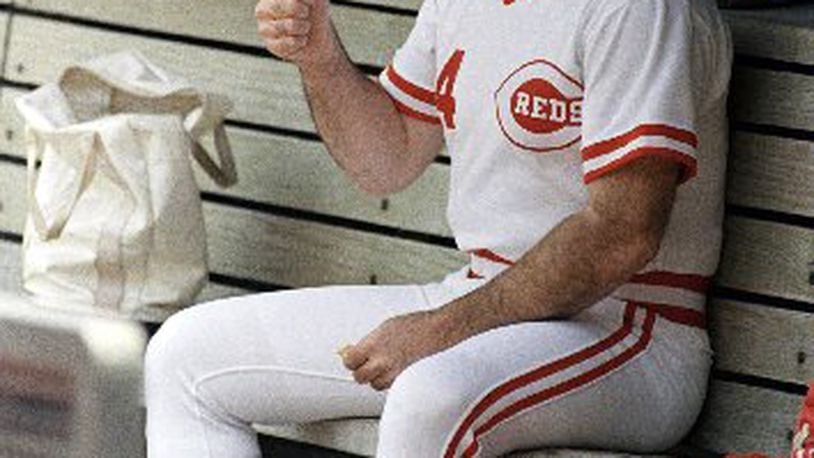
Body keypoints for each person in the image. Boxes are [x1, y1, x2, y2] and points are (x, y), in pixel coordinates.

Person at [144, 0, 732, 456]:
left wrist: (442, 330)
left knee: (430, 397)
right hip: (483, 300)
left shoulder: (640, 10)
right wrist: (320, 58)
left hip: (634, 330)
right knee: (184, 357)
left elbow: (622, 233)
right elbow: (386, 158)